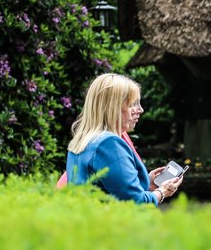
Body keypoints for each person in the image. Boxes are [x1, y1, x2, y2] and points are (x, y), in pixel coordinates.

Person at [65, 73, 182, 205]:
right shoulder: (109, 144)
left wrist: (145, 182)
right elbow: (135, 203)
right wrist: (162, 192)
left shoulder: (84, 139)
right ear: (112, 108)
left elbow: (107, 188)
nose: (141, 110)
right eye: (133, 104)